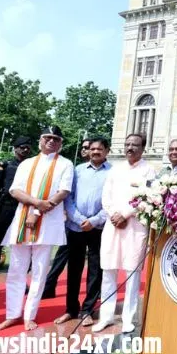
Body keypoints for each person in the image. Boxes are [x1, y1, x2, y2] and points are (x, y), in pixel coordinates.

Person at [0, 126, 74, 332]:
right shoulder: (27, 164)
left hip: (48, 222)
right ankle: (12, 314)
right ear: (40, 140)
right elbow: (15, 189)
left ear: (61, 143)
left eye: (56, 139)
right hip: (22, 220)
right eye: (47, 138)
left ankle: (30, 315)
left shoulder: (65, 164)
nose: (51, 141)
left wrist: (38, 211)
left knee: (39, 271)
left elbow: (63, 191)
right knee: (16, 270)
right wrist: (36, 204)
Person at [92, 134, 156, 333]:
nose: (130, 148)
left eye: (134, 145)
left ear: (143, 148)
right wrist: (113, 214)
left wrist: (126, 214)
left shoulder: (149, 171)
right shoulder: (115, 169)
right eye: (127, 144)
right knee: (109, 271)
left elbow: (148, 197)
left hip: (135, 226)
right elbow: (106, 197)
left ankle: (128, 318)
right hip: (113, 225)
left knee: (132, 272)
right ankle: (107, 316)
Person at [53, 138, 111, 327]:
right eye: (92, 149)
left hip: (97, 227)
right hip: (75, 227)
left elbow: (111, 201)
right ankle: (70, 309)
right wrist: (78, 219)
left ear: (106, 151)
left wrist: (94, 221)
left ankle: (88, 310)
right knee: (74, 269)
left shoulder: (113, 173)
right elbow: (68, 198)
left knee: (95, 270)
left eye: (99, 149)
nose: (95, 152)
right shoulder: (77, 170)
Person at [0, 136, 32, 298]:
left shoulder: (33, 167)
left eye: (28, 147)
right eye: (22, 147)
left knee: (22, 247)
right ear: (15, 148)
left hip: (24, 208)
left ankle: (20, 280)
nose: (25, 150)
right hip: (6, 208)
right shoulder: (5, 165)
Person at [42, 138, 91, 299]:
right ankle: (49, 285)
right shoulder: (75, 169)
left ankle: (94, 292)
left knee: (95, 260)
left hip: (94, 224)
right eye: (83, 147)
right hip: (74, 222)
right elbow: (68, 195)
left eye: (88, 147)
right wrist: (74, 216)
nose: (85, 150)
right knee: (62, 254)